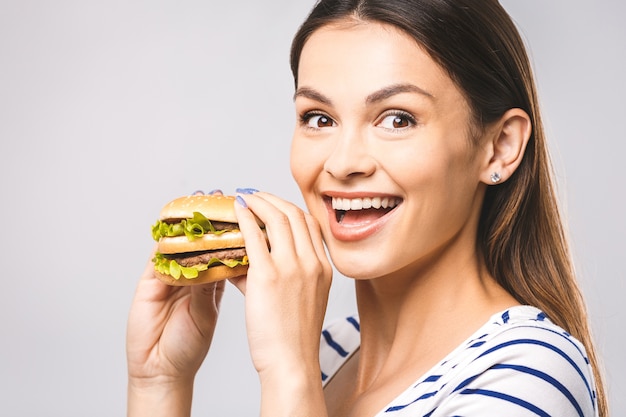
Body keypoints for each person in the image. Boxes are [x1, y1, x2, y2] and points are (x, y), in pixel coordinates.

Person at [126, 0, 607, 416]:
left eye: (397, 119)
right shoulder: (333, 352)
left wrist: (289, 375)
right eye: (319, 118)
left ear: (499, 147)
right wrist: (161, 384)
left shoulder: (528, 372)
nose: (342, 163)